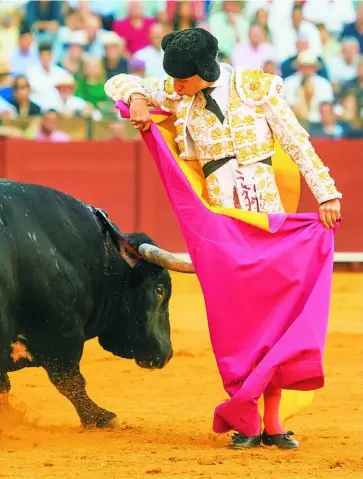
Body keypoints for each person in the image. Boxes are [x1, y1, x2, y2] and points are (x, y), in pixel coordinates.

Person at [104, 27, 342, 450]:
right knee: (236, 324)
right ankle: (246, 416)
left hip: (268, 220)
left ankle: (273, 420)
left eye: (182, 79)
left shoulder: (256, 87)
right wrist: (139, 98)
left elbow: (296, 141)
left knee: (274, 318)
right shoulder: (179, 95)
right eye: (172, 81)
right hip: (220, 224)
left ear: (205, 72)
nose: (174, 87)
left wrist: (327, 193)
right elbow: (118, 83)